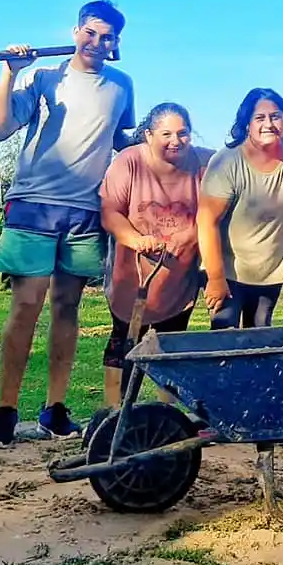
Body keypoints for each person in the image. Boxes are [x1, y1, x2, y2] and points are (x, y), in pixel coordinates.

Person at [0, 0, 135, 448]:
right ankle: (6, 410)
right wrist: (9, 71)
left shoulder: (121, 85)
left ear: (116, 43)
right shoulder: (41, 76)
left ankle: (54, 410)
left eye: (107, 37)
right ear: (75, 31)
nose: (98, 42)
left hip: (85, 210)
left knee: (67, 308)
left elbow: (120, 140)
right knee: (27, 304)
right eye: (91, 33)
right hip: (33, 204)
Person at [99, 103, 214, 407]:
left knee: (171, 344)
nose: (175, 140)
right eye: (166, 134)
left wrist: (190, 235)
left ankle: (165, 414)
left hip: (179, 277)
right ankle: (114, 413)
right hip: (133, 273)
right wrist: (136, 239)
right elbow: (110, 212)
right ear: (149, 135)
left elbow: (215, 212)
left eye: (182, 133)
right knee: (124, 339)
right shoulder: (129, 161)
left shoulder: (205, 163)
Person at [197, 88, 283, 328]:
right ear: (247, 123)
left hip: (270, 270)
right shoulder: (227, 162)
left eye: (276, 116)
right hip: (229, 270)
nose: (269, 124)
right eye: (260, 118)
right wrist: (215, 278)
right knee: (225, 339)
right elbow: (206, 221)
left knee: (259, 337)